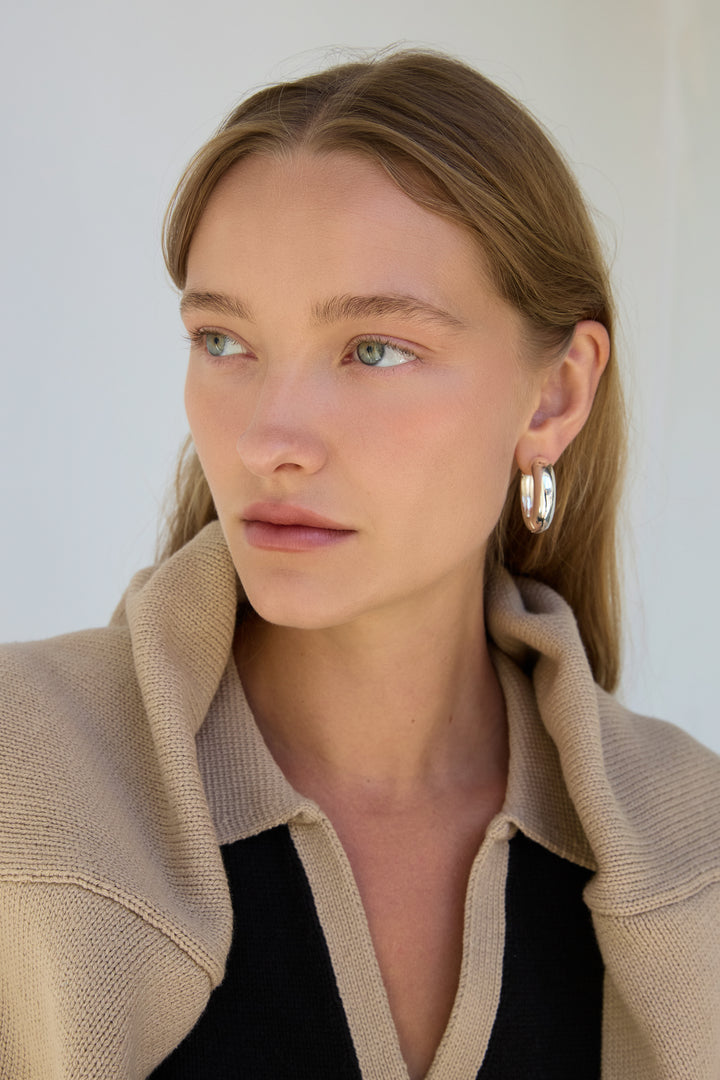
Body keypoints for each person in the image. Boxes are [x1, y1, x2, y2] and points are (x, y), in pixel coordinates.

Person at [1, 49, 719, 1080]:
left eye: (375, 349)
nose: (268, 438)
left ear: (555, 397)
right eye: (223, 340)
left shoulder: (698, 851)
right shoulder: (19, 769)